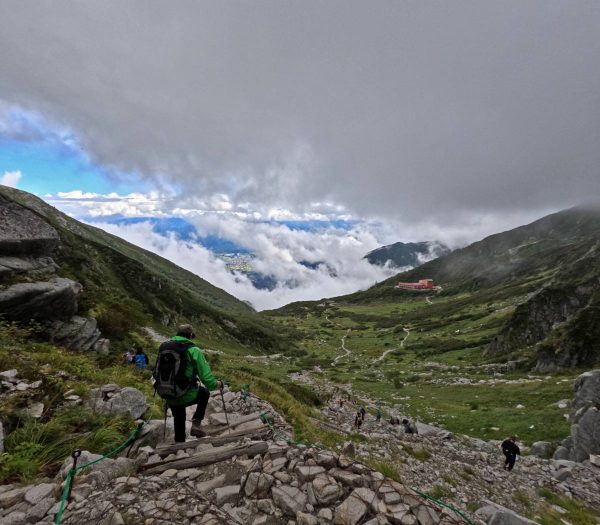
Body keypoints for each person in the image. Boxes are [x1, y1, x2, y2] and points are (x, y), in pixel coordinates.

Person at [155, 324, 223, 442]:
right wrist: (218, 384)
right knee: (204, 393)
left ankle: (179, 445)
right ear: (191, 335)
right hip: (185, 393)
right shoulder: (193, 350)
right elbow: (207, 380)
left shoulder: (164, 347)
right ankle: (196, 424)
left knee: (179, 416)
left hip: (167, 393)